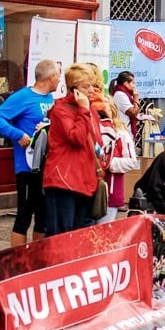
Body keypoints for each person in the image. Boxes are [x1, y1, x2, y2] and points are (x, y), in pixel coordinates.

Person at [0, 59, 59, 246]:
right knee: (25, 213)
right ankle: (18, 260)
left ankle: (37, 259)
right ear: (51, 77)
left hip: (46, 165)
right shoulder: (23, 97)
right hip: (27, 165)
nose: (60, 81)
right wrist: (18, 134)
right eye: (58, 76)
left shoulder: (50, 100)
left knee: (43, 214)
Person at [43, 63, 100, 235]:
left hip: (84, 178)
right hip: (64, 180)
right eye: (85, 86)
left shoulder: (91, 109)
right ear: (73, 89)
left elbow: (95, 140)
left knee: (81, 233)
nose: (91, 90)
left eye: (92, 85)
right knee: (61, 233)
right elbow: (76, 137)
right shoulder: (61, 110)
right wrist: (83, 110)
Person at [100, 101, 140, 223]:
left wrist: (107, 163)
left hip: (110, 193)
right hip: (88, 192)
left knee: (103, 233)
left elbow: (131, 161)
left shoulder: (121, 133)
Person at [111, 70, 140, 135]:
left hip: (126, 129)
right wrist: (136, 97)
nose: (134, 86)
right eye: (133, 83)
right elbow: (133, 112)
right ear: (126, 83)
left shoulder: (127, 94)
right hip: (124, 130)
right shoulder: (120, 94)